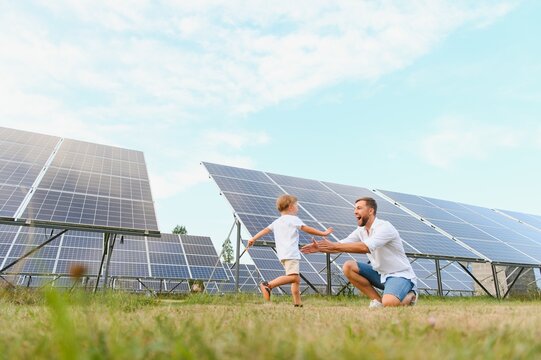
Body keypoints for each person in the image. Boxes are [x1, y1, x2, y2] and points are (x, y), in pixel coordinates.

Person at [301, 196, 417, 308]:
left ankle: (410, 295)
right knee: (348, 266)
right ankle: (377, 301)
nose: (355, 212)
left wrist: (334, 246)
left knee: (390, 303)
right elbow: (342, 244)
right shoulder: (361, 231)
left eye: (359, 208)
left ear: (371, 211)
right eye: (355, 208)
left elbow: (365, 247)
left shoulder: (385, 227)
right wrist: (320, 248)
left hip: (400, 275)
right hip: (380, 274)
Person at [247, 194, 333, 307]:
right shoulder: (293, 219)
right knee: (294, 277)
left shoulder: (277, 222)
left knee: (295, 280)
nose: (298, 208)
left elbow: (265, 230)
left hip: (282, 254)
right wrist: (323, 233)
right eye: (297, 205)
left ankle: (298, 303)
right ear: (291, 207)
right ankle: (268, 285)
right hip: (291, 253)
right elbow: (306, 229)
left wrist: (253, 238)